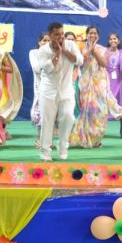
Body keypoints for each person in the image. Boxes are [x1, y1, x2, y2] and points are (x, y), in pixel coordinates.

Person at [70, 26, 122, 148]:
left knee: (99, 111)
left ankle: (96, 139)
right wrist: (90, 48)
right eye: (90, 33)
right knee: (87, 111)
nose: (92, 35)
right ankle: (84, 138)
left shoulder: (102, 49)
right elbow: (81, 62)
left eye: (95, 33)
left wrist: (94, 50)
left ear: (98, 36)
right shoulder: (80, 47)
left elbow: (104, 64)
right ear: (86, 35)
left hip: (99, 83)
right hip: (85, 83)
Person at [38, 22, 82, 161]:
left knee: (68, 117)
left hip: (66, 90)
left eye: (62, 34)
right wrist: (57, 53)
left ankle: (63, 147)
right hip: (48, 90)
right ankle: (45, 152)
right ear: (50, 36)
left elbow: (79, 61)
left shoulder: (70, 45)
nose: (60, 37)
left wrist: (64, 51)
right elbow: (48, 69)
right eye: (57, 35)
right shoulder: (43, 50)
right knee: (47, 121)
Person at [29, 32, 51, 148]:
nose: (46, 43)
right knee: (40, 114)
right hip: (40, 89)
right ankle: (39, 139)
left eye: (49, 41)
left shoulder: (54, 53)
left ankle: (47, 141)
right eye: (44, 40)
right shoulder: (33, 53)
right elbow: (36, 68)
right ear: (39, 42)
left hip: (52, 88)